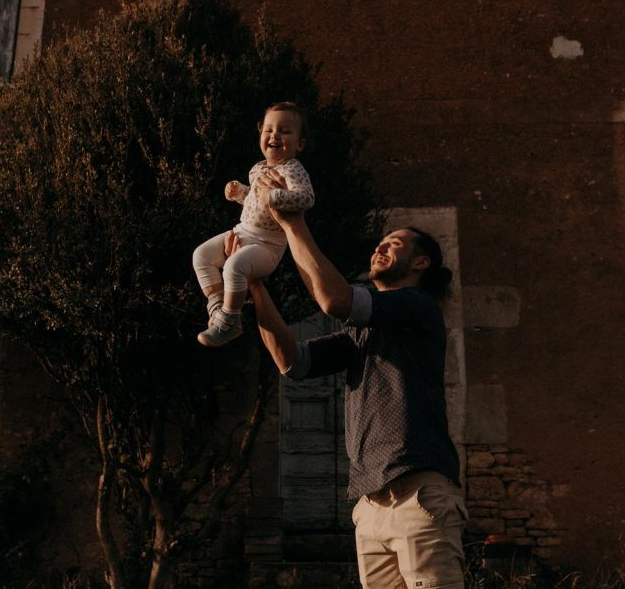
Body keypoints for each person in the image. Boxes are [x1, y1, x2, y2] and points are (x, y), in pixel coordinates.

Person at [242, 184, 466, 589]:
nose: (381, 248)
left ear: (421, 262)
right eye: (379, 243)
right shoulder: (362, 335)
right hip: (370, 505)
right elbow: (292, 362)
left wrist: (292, 221)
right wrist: (254, 287)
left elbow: (333, 300)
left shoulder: (417, 308)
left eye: (394, 244)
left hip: (418, 495)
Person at [191, 102, 314, 347]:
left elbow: (306, 198)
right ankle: (217, 310)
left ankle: (231, 321)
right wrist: (240, 193)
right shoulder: (258, 169)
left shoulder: (293, 169)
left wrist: (274, 197)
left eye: (285, 131)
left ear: (300, 144)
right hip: (242, 231)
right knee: (201, 255)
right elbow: (255, 201)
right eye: (268, 130)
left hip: (268, 246)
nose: (275, 135)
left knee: (234, 266)